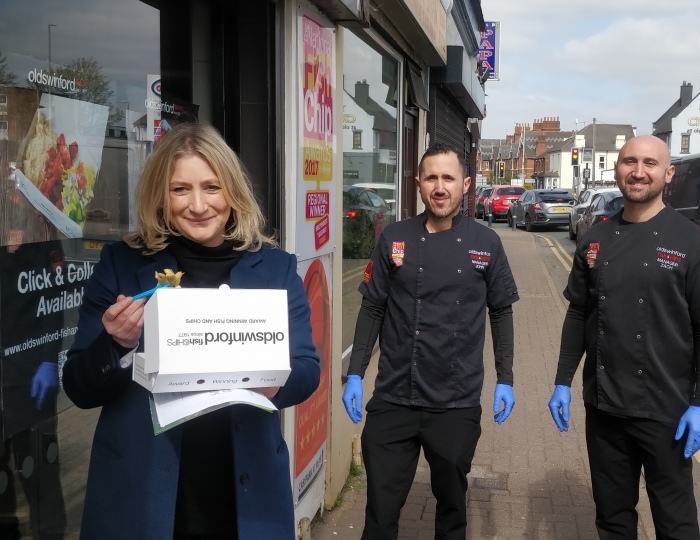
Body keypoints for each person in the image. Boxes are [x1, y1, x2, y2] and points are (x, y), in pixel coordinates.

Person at [62, 123, 320, 540]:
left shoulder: (275, 268)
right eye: (180, 189)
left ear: (232, 191)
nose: (198, 205)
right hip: (143, 496)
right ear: (160, 195)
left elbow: (308, 370)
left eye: (212, 187)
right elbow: (78, 387)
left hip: (245, 495)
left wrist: (270, 379)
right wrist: (113, 344)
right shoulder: (122, 265)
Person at [548, 135, 700, 539]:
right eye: (629, 161)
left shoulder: (693, 242)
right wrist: (563, 380)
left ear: (667, 174)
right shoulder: (596, 238)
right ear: (616, 170)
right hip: (604, 406)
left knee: (676, 522)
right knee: (612, 518)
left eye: (650, 163)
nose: (638, 171)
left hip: (666, 410)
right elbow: (579, 311)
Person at [341, 142, 519, 540]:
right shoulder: (394, 238)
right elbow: (373, 307)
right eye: (432, 178)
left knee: (452, 510)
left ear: (466, 185)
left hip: (454, 402)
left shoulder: (486, 244)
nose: (440, 188)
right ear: (419, 184)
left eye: (449, 178)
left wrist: (505, 377)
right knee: (380, 513)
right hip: (393, 399)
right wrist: (355, 373)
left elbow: (501, 311)